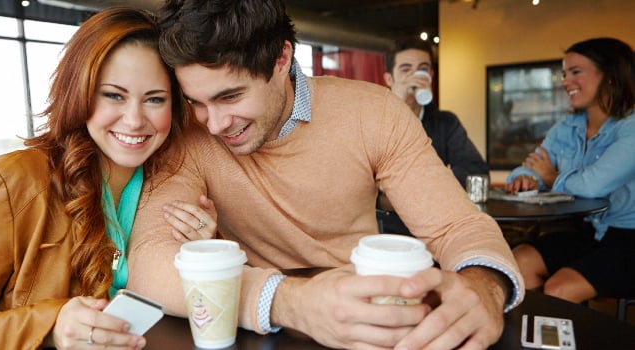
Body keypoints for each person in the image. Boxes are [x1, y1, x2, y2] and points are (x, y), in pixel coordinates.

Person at [128, 1, 524, 349]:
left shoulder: (375, 112)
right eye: (196, 101)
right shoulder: (186, 137)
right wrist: (290, 302)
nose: (213, 124)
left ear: (281, 59)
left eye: (230, 96)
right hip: (254, 332)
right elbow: (149, 264)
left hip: (372, 325)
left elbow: (457, 227)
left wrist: (484, 287)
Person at [0, 8, 199, 349]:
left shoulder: (174, 178)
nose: (135, 120)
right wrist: (51, 325)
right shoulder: (13, 182)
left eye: (154, 99)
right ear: (78, 92)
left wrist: (200, 250)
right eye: (113, 95)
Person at [504, 37, 635, 304]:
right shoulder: (568, 126)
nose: (565, 81)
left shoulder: (631, 128)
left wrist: (551, 178)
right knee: (518, 262)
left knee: (560, 288)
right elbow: (527, 168)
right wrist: (525, 179)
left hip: (629, 238)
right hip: (588, 231)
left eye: (576, 72)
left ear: (610, 76)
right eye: (564, 74)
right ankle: (539, 340)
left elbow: (592, 186)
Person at [379, 39, 489, 234]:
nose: (415, 77)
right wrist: (398, 108)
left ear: (430, 76)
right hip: (386, 230)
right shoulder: (375, 122)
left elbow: (475, 173)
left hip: (438, 228)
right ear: (389, 80)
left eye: (422, 70)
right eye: (405, 70)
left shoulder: (445, 122)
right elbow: (365, 189)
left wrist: (397, 193)